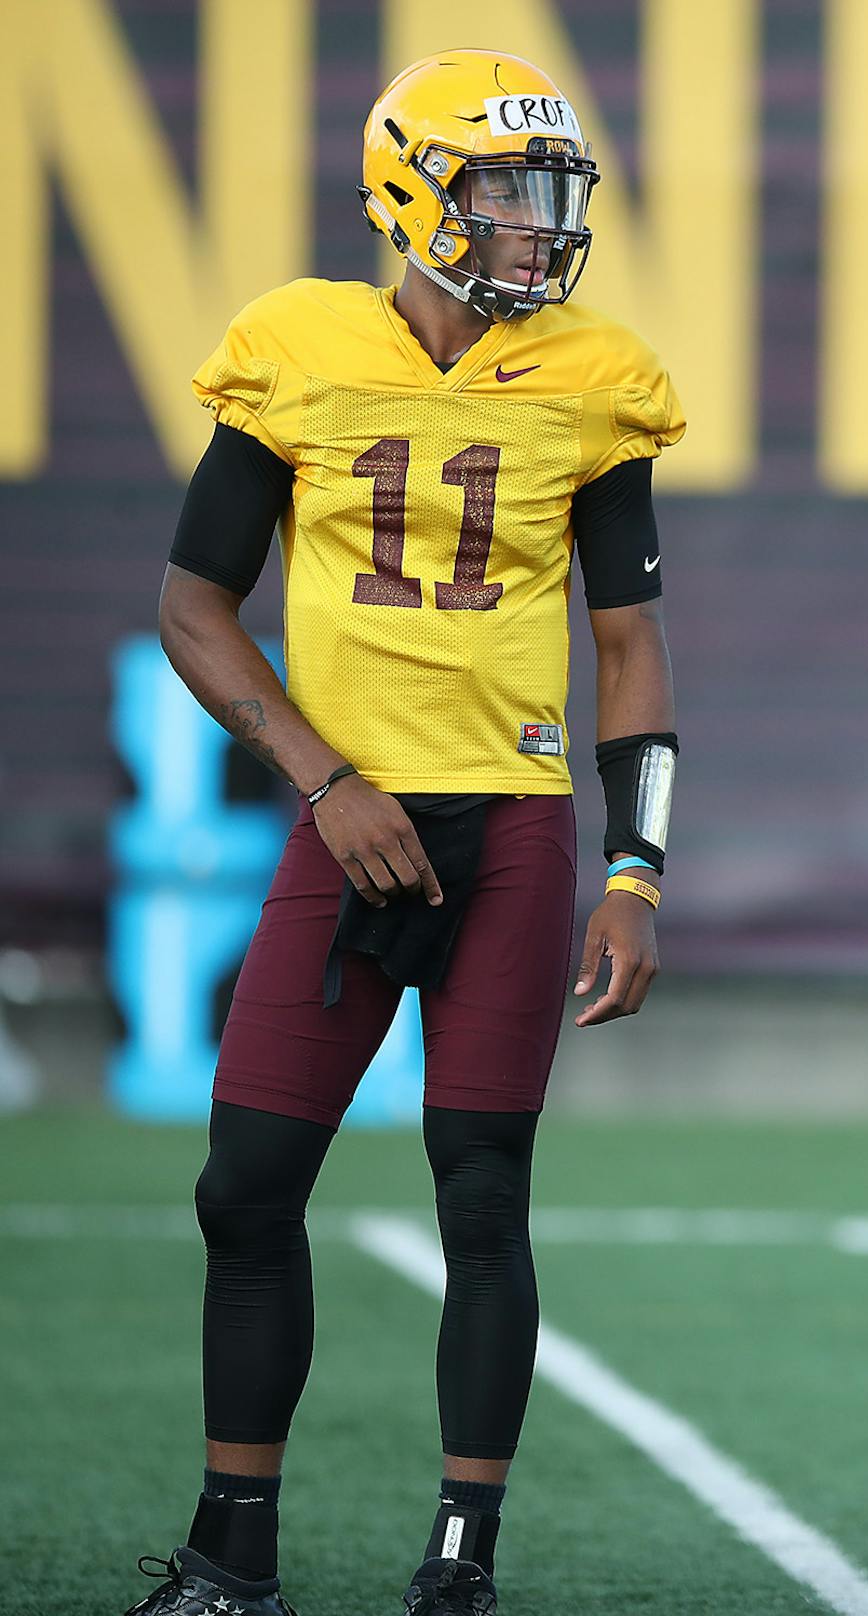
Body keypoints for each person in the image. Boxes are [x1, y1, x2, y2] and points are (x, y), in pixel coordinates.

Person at [130, 49, 684, 1616]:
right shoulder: (298, 347)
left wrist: (637, 870)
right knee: (245, 1185)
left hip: (509, 826)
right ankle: (233, 1547)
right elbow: (192, 607)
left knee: (483, 1190)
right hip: (351, 817)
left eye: (546, 197)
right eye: (502, 193)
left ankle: (462, 1560)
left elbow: (631, 649)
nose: (534, 227)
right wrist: (325, 776)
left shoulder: (594, 377)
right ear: (411, 192)